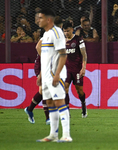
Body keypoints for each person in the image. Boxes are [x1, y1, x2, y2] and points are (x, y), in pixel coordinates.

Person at [36, 8, 72, 142]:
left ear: (48, 19)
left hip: (54, 75)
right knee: (50, 103)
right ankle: (53, 134)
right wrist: (41, 74)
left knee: (59, 102)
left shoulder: (57, 33)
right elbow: (46, 56)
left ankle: (67, 135)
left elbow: (63, 54)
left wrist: (57, 74)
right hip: (46, 76)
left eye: (40, 18)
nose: (38, 20)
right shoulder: (46, 34)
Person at [62, 21, 88, 118]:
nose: (66, 33)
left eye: (68, 31)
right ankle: (67, 111)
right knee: (64, 89)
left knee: (79, 91)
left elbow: (84, 54)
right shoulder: (62, 41)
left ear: (72, 30)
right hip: (66, 70)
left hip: (77, 69)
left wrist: (83, 67)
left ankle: (83, 105)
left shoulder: (78, 40)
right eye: (64, 31)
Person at [24, 54, 50, 125]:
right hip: (42, 66)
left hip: (48, 67)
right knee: (45, 90)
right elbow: (38, 47)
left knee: (42, 91)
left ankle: (29, 109)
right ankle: (48, 118)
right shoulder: (43, 43)